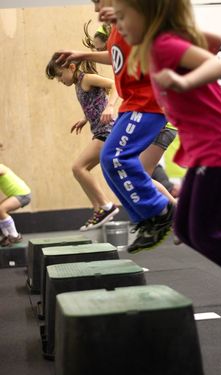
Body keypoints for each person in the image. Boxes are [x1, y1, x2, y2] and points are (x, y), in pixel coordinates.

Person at [114, 0, 221, 284]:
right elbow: (215, 40)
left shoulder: (164, 45)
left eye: (123, 17)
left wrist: (184, 82)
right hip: (208, 147)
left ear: (150, 15)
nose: (118, 26)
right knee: (187, 230)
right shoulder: (148, 50)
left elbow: (216, 65)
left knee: (205, 231)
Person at [56, 0, 176, 253]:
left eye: (99, 2)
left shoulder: (134, 18)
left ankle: (162, 210)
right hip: (132, 105)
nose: (96, 9)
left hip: (148, 104)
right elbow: (116, 57)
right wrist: (84, 54)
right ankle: (147, 219)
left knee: (116, 157)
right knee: (110, 163)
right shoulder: (116, 31)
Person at [46, 53, 120, 231]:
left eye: (59, 75)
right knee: (80, 170)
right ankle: (99, 210)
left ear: (71, 67)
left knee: (78, 168)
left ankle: (106, 206)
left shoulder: (86, 78)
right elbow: (94, 102)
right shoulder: (78, 84)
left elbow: (114, 84)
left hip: (107, 131)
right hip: (100, 131)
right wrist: (85, 119)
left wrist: (111, 106)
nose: (59, 80)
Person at [0, 164, 31, 246]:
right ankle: (7, 236)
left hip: (23, 194)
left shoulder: (1, 167)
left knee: (1, 209)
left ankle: (15, 236)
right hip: (16, 194)